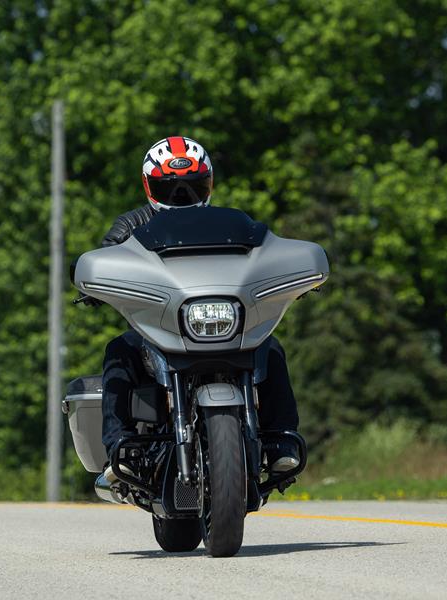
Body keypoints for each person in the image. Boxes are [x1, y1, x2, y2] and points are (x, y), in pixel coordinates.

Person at [96, 136, 301, 483]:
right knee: (119, 352)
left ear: (208, 184)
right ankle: (121, 447)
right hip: (159, 325)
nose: (182, 196)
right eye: (170, 188)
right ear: (150, 186)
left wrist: (289, 275)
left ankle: (281, 442)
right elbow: (105, 256)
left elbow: (265, 252)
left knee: (271, 348)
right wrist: (99, 281)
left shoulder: (234, 225)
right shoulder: (131, 227)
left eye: (192, 187)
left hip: (224, 321)